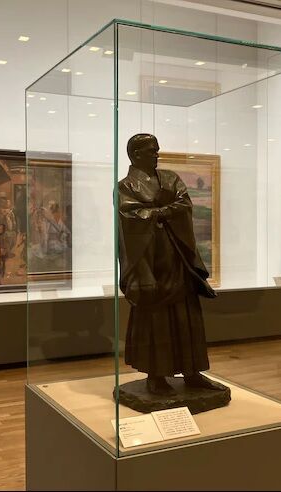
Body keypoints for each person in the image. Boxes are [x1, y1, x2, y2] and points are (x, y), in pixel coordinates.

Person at [118, 133, 218, 396]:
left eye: (157, 150)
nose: (157, 155)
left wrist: (156, 212)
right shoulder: (126, 186)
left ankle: (192, 372)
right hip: (150, 261)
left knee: (187, 316)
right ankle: (156, 375)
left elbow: (184, 204)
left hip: (177, 258)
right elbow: (131, 218)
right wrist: (163, 211)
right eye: (152, 151)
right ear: (136, 154)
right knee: (156, 319)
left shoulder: (170, 178)